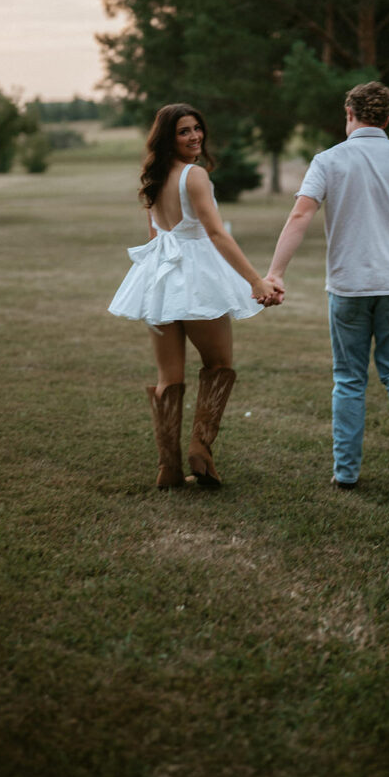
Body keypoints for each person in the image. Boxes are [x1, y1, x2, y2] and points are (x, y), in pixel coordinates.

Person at [265, 81, 389, 503]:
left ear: (349, 115)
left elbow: (300, 215)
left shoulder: (328, 160)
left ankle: (346, 474)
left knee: (349, 378)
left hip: (349, 288)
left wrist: (275, 272)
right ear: (386, 119)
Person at [109, 103, 279, 490]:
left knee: (168, 376)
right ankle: (199, 451)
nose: (195, 137)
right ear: (168, 137)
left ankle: (168, 469)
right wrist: (255, 281)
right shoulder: (194, 175)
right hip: (197, 278)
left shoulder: (153, 177)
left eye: (197, 129)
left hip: (160, 280)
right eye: (184, 131)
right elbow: (216, 234)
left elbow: (156, 234)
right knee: (218, 364)